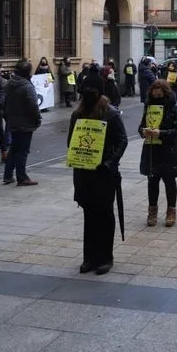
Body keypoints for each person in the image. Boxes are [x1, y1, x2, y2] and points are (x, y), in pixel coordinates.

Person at [67, 69, 128, 274]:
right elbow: (71, 142)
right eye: (86, 91)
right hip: (84, 173)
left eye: (93, 91)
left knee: (104, 214)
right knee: (89, 215)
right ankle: (89, 257)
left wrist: (110, 162)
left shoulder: (110, 113)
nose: (89, 95)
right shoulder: (78, 114)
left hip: (104, 173)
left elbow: (122, 140)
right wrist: (76, 155)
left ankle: (105, 257)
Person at [139, 80, 177, 227]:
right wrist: (143, 132)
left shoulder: (175, 107)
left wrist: (161, 133)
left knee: (169, 181)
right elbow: (141, 126)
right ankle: (152, 211)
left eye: (160, 93)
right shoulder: (149, 106)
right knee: (152, 181)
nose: (157, 95)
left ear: (165, 92)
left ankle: (171, 211)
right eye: (154, 93)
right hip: (152, 149)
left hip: (169, 150)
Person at [3, 59, 41, 186]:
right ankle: (22, 176)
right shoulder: (27, 86)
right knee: (22, 150)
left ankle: (8, 175)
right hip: (25, 122)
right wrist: (37, 118)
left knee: (14, 148)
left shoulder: (9, 83)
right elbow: (33, 106)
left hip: (13, 120)